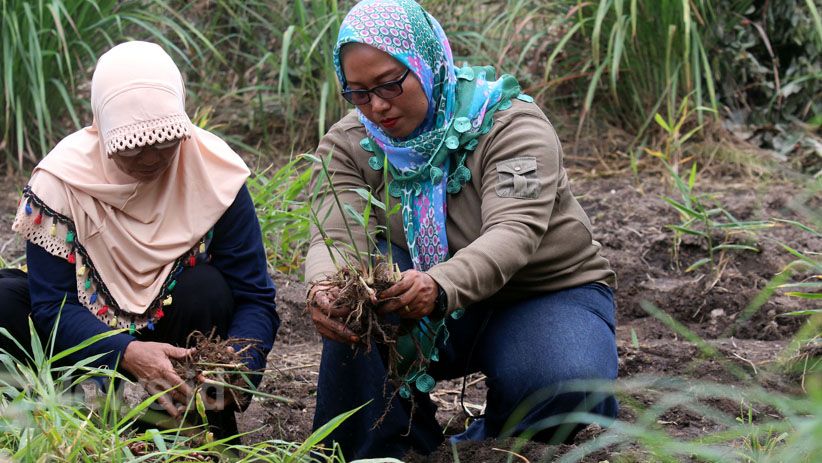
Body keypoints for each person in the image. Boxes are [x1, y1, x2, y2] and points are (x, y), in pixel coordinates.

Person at [304, 0, 619, 459]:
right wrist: (324, 288)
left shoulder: (510, 126)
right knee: (353, 307)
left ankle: (494, 442)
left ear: (427, 63)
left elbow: (514, 231)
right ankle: (384, 445)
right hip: (417, 292)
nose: (377, 105)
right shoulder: (351, 145)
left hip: (539, 293)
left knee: (567, 380)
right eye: (358, 92)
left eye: (391, 84)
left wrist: (440, 283)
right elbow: (335, 237)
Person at [0, 41, 278, 439]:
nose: (150, 158)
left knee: (206, 289)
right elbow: (52, 306)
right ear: (102, 128)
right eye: (130, 145)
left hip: (177, 327)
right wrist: (125, 353)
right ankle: (59, 426)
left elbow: (254, 297)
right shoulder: (61, 184)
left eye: (165, 140)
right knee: (6, 303)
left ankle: (194, 431)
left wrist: (239, 364)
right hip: (86, 331)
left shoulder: (216, 177)